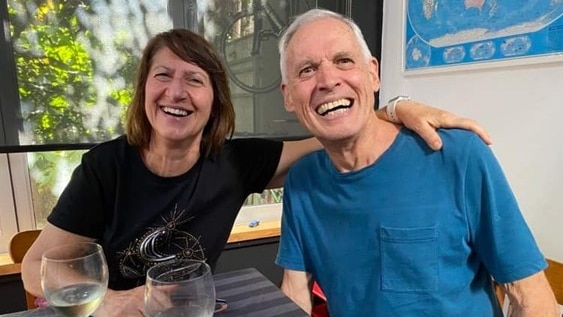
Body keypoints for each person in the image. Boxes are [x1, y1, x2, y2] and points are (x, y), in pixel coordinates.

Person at [20, 28, 489, 316]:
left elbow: (333, 129)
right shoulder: (105, 167)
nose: (176, 92)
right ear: (144, 90)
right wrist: (115, 302)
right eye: (163, 76)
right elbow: (34, 269)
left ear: (215, 101)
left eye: (195, 80)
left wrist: (397, 106)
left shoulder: (235, 162)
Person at [275, 9, 559, 317]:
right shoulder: (302, 181)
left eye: (343, 60)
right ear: (289, 96)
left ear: (373, 74)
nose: (328, 80)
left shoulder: (456, 155)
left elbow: (532, 298)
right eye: (306, 70)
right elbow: (295, 291)